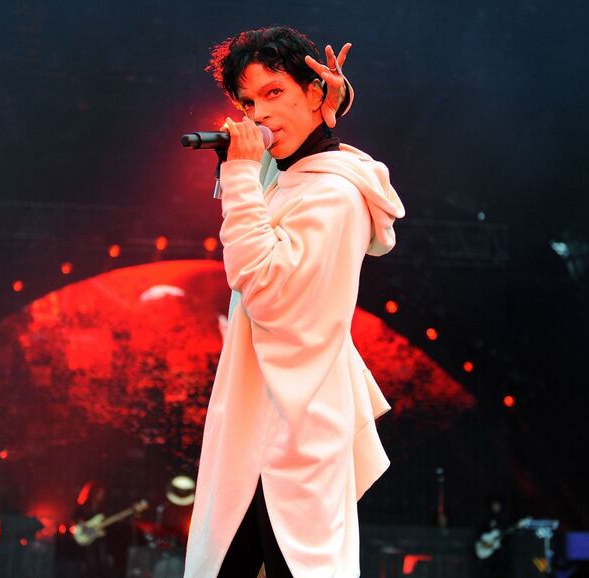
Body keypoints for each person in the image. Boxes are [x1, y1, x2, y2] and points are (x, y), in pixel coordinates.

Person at [183, 26, 405, 578]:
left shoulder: (332, 195)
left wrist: (236, 170)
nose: (259, 113)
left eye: (275, 92)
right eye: (249, 101)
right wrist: (334, 101)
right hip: (260, 429)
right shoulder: (288, 176)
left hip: (293, 439)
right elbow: (295, 151)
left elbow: (263, 286)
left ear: (312, 93)